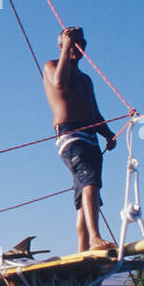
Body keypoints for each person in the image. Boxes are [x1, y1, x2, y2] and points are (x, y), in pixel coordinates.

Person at [42, 26, 118, 253]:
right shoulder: (52, 67)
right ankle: (95, 237)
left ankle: (83, 249)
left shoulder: (86, 80)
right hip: (70, 134)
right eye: (72, 43)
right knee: (90, 181)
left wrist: (108, 134)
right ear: (61, 45)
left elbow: (95, 112)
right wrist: (66, 48)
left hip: (91, 136)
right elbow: (59, 84)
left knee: (84, 195)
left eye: (81, 43)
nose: (78, 47)